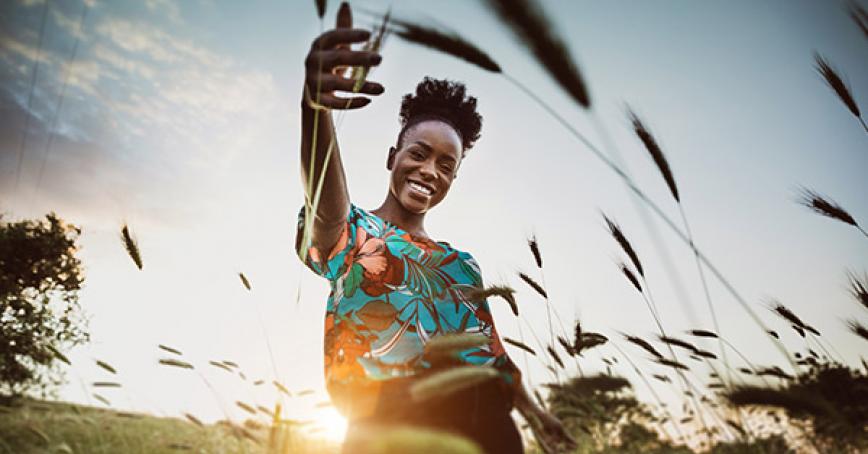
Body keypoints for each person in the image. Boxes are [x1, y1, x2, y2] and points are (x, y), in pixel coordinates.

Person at [295, 3, 577, 453]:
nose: (430, 171)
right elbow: (325, 205)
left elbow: (492, 355)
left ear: (453, 179)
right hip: (382, 426)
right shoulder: (352, 231)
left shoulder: (462, 265)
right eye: (418, 154)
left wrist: (535, 413)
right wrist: (315, 109)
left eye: (446, 165)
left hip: (482, 425)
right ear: (393, 157)